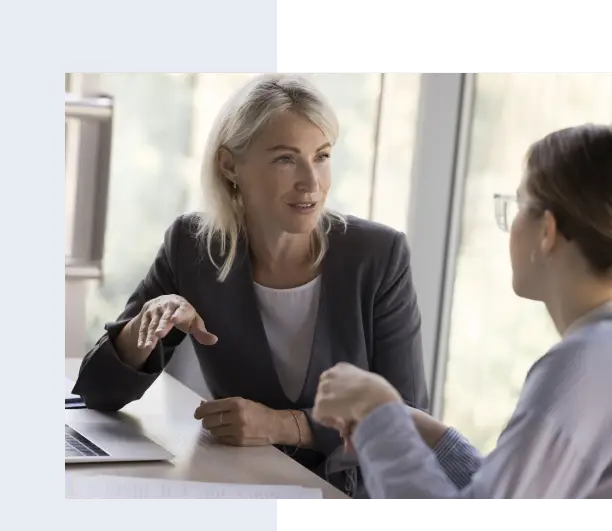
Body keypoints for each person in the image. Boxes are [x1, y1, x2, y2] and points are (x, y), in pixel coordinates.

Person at [73, 73, 429, 496]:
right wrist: (143, 329)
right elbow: (96, 392)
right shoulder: (193, 247)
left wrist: (284, 425)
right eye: (285, 159)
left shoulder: (378, 255)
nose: (311, 182)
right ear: (230, 166)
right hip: (241, 487)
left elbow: (408, 416)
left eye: (322, 156)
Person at [312, 123, 612, 503]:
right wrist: (425, 433)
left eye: (519, 205)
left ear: (547, 231)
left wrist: (378, 414)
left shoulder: (582, 365)